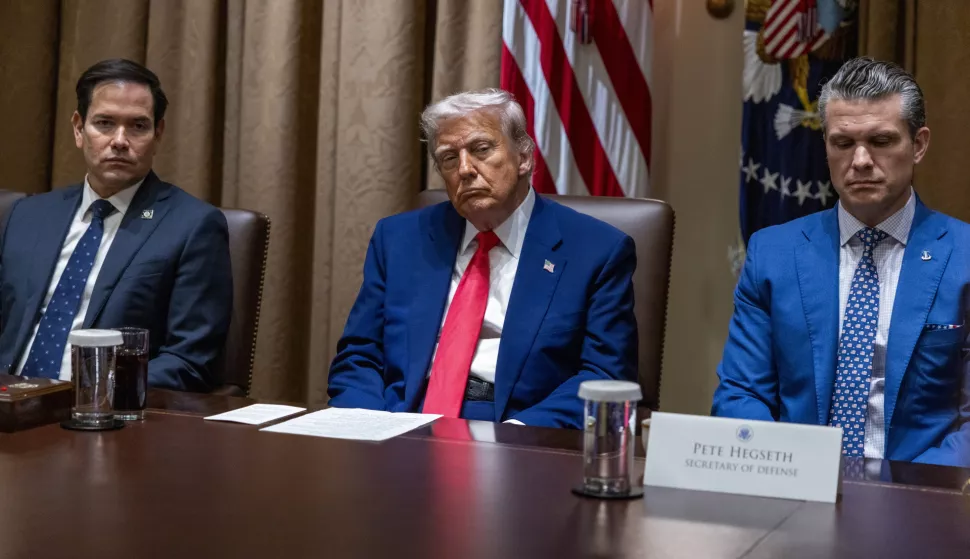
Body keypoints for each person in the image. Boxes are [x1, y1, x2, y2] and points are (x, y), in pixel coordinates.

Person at [327, 89, 638, 428]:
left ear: (524, 157)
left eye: (481, 149)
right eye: (448, 158)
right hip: (401, 420)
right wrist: (366, 426)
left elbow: (603, 375)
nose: (465, 169)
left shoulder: (596, 250)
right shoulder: (398, 239)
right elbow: (359, 356)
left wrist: (518, 438)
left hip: (517, 425)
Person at [712, 57, 970, 467]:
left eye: (882, 141)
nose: (862, 160)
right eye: (843, 143)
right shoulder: (772, 254)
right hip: (794, 491)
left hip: (921, 500)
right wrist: (779, 472)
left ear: (918, 145)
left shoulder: (964, 257)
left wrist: (901, 495)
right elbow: (742, 394)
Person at [0, 58, 232, 391]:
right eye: (105, 123)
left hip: (103, 411)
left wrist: (96, 393)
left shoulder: (193, 226)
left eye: (138, 126)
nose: (120, 140)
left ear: (158, 133)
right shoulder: (28, 215)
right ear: (79, 129)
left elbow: (190, 361)